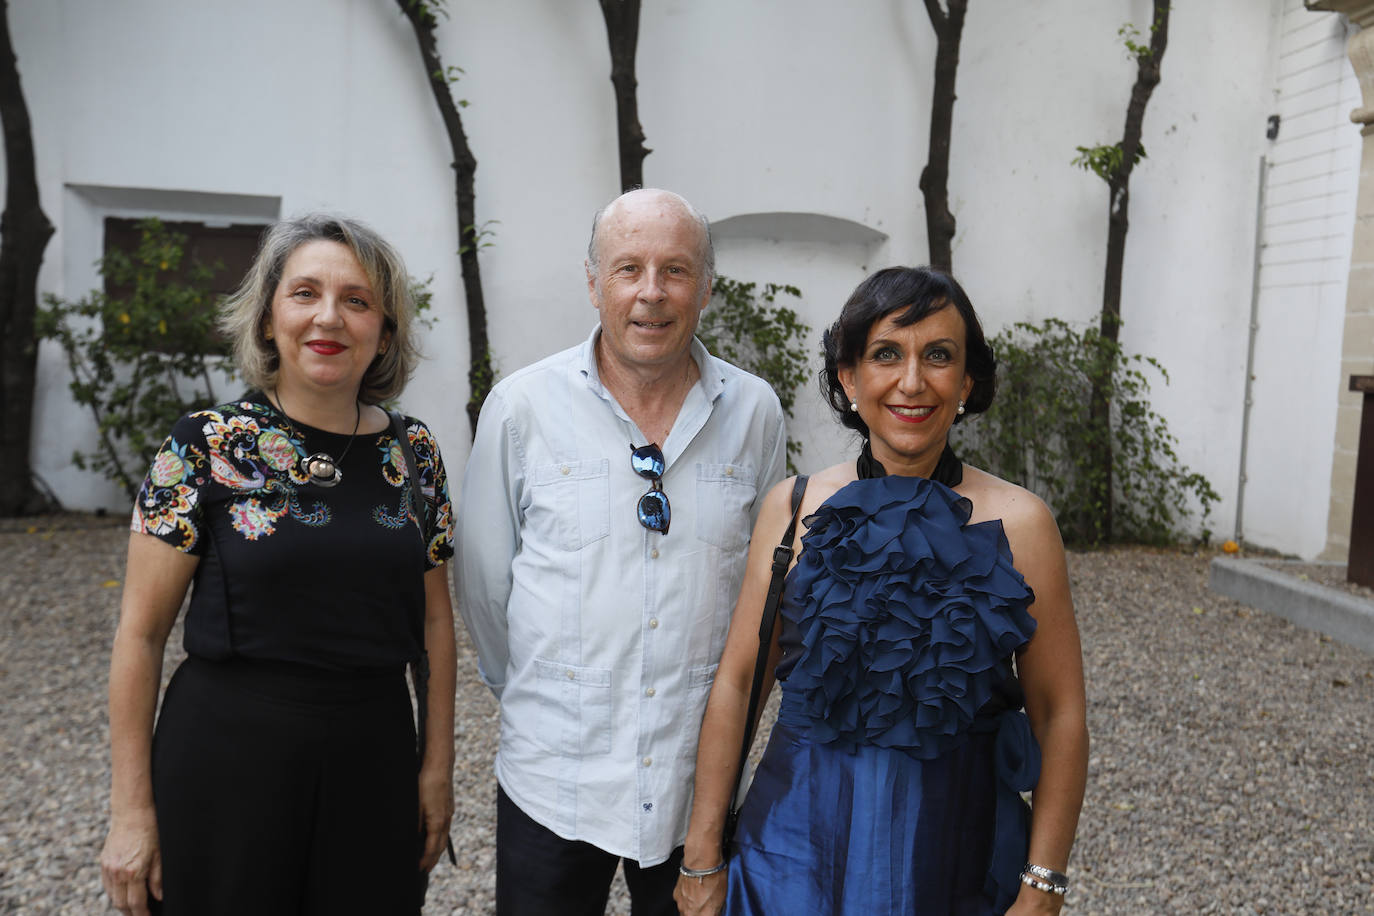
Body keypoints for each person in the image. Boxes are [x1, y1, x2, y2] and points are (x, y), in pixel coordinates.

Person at [674, 266, 1089, 916]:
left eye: (940, 356)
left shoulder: (1024, 525)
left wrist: (1043, 886)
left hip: (956, 862)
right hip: (791, 859)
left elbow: (1060, 715)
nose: (913, 381)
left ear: (967, 380)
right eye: (886, 354)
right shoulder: (792, 510)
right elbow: (737, 681)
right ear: (849, 377)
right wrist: (702, 854)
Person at [98, 214, 457, 916]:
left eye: (357, 300)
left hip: (373, 759)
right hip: (226, 758)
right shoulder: (205, 444)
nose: (329, 317)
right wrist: (131, 811)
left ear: (384, 331)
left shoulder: (414, 452)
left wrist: (436, 767)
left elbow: (437, 624)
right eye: (305, 293)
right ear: (267, 319)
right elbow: (139, 637)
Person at [456, 188, 787, 915]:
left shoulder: (755, 412)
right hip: (554, 777)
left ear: (705, 287)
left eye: (674, 270)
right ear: (593, 281)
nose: (651, 293)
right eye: (628, 268)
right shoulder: (521, 408)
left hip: (692, 782)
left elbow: (765, 593)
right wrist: (547, 693)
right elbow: (483, 588)